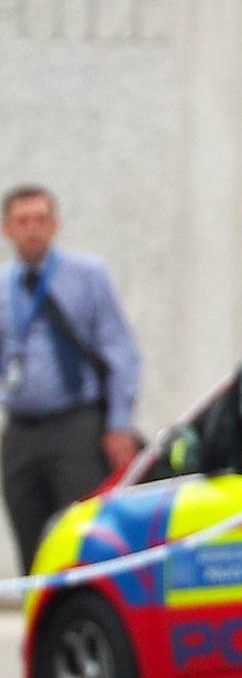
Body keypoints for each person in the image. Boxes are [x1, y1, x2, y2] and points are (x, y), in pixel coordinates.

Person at [1, 185, 142, 568]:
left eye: (40, 220)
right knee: (31, 542)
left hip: (75, 424)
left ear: (55, 225)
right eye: (22, 221)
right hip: (21, 430)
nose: (32, 229)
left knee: (82, 538)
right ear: (7, 229)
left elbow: (120, 351)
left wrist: (119, 424)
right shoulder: (4, 286)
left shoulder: (87, 275)